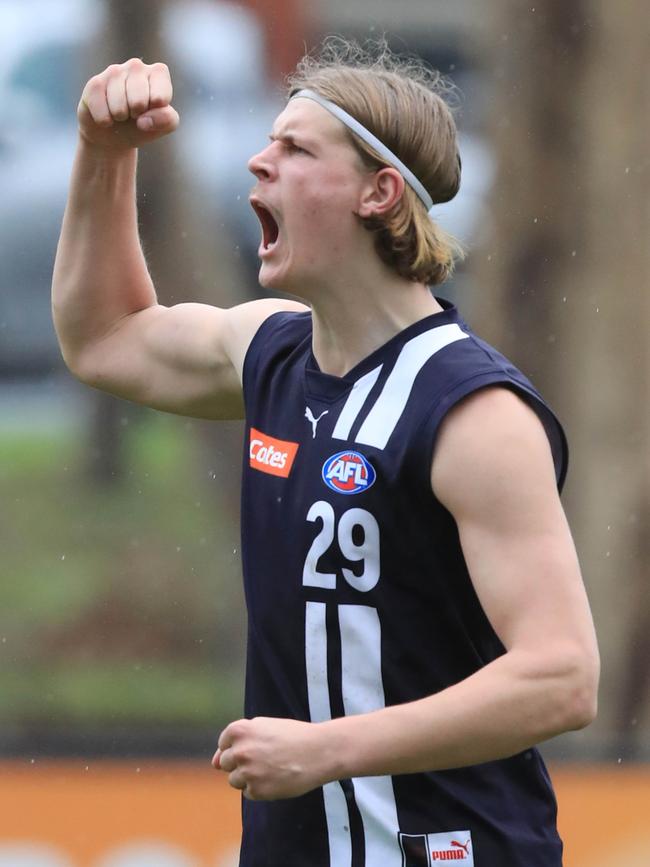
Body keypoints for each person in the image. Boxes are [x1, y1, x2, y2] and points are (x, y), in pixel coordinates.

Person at [52, 38, 599, 867]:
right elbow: (104, 338)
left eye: (295, 148)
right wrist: (104, 152)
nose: (258, 161)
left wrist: (328, 748)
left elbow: (561, 677)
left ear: (378, 192)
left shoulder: (473, 412)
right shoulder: (270, 354)